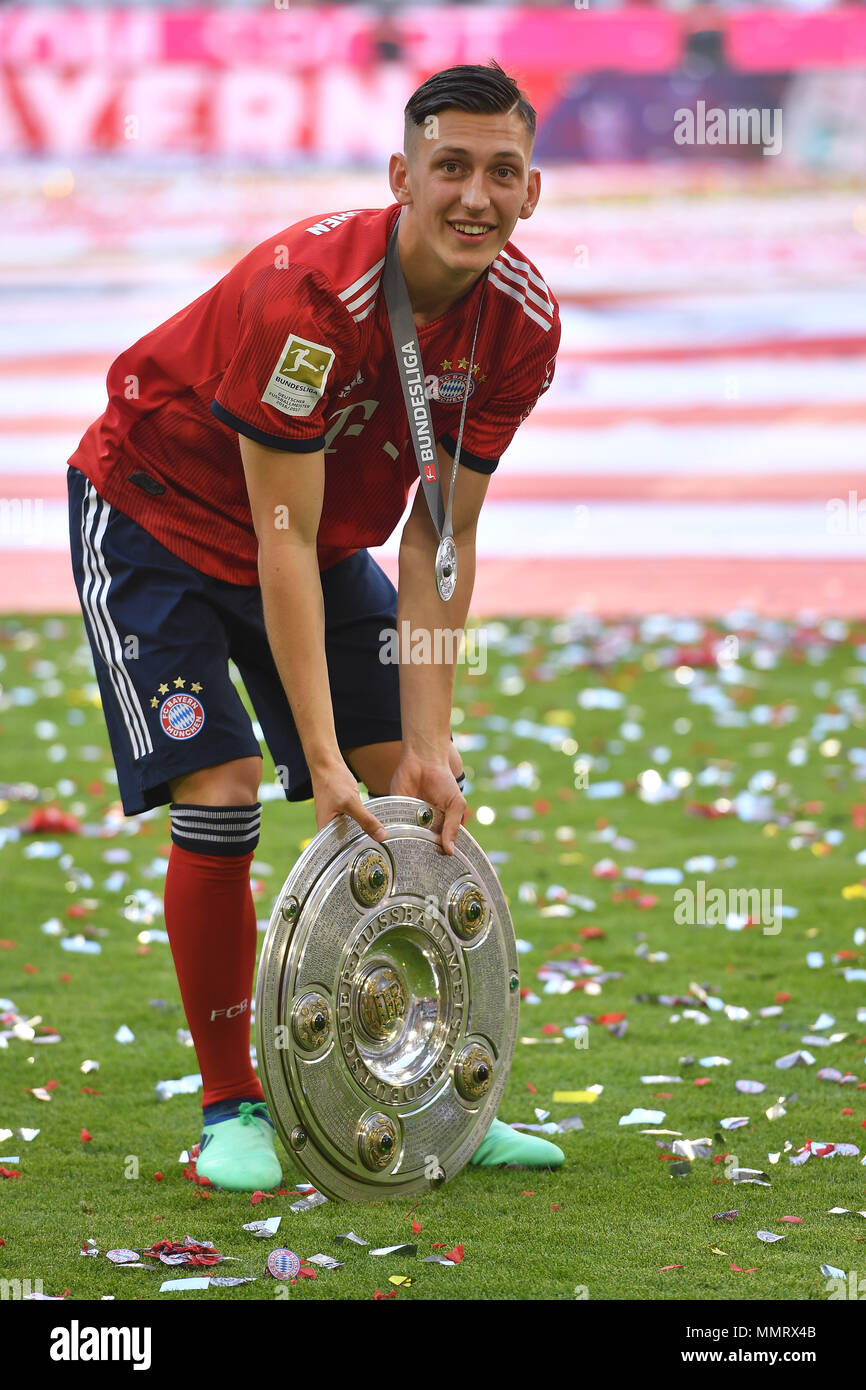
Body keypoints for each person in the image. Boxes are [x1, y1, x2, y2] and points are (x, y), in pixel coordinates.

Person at [66, 61, 564, 1191]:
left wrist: (422, 749)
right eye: (449, 168)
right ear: (401, 176)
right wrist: (322, 759)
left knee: (413, 796)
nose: (474, 196)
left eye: (500, 172)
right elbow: (274, 538)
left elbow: (442, 534)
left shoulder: (521, 324)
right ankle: (229, 1104)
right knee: (226, 788)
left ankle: (438, 1097)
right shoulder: (309, 295)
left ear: (531, 191)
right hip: (159, 514)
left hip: (319, 537)